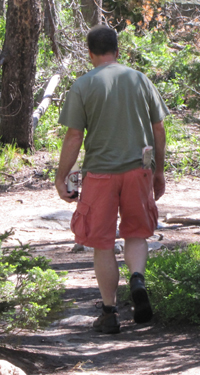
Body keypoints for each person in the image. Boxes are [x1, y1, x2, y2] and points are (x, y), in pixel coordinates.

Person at [55, 25, 170, 334]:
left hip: (100, 174)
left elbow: (74, 135)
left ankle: (109, 313)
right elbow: (159, 128)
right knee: (136, 233)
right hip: (138, 170)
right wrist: (158, 171)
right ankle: (137, 280)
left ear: (90, 53)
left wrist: (61, 175)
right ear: (118, 50)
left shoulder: (83, 84)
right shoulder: (140, 79)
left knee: (102, 243)